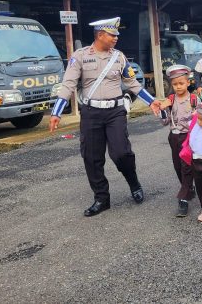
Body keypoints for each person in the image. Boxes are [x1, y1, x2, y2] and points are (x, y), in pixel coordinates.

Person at [49, 17, 160, 217]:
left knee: (121, 153)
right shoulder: (80, 56)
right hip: (91, 114)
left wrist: (152, 101)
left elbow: (132, 83)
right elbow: (68, 85)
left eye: (116, 35)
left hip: (115, 112)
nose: (116, 38)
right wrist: (56, 112)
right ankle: (102, 198)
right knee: (92, 158)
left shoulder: (119, 57)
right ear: (100, 35)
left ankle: (134, 183)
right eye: (112, 35)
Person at [156, 65, 197, 218]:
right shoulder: (170, 100)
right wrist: (162, 109)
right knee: (178, 166)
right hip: (174, 137)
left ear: (188, 83)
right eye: (175, 84)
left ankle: (183, 199)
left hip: (189, 137)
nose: (178, 87)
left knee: (187, 167)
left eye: (181, 83)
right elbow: (165, 122)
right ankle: (188, 188)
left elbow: (200, 119)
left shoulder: (194, 99)